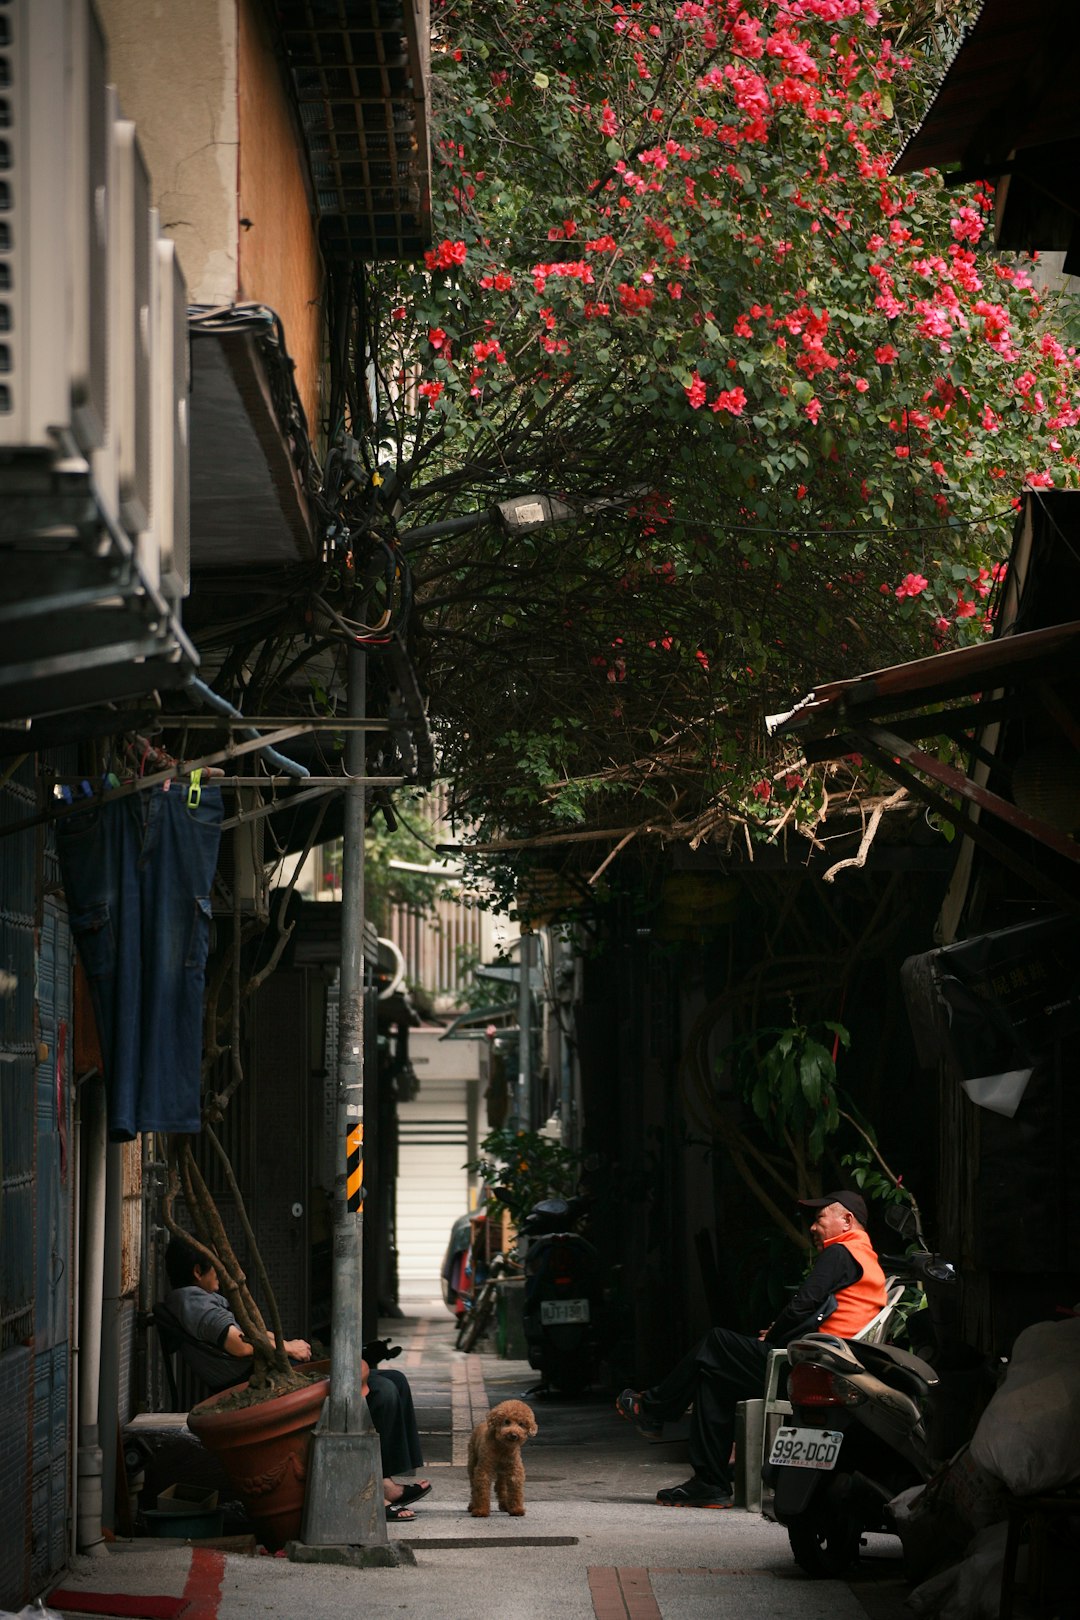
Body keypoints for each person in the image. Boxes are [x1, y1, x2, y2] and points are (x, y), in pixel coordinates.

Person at [616, 1191, 888, 1508]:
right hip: (826, 1365)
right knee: (713, 1375)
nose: (813, 1228)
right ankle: (710, 1484)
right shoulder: (866, 1260)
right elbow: (824, 1314)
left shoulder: (841, 1252)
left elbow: (803, 1305)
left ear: (847, 1220)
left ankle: (653, 1408)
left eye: (819, 1219)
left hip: (805, 1368)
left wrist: (773, 1335)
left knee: (716, 1341)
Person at [163, 1235, 430, 1521]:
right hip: (257, 1386)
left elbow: (246, 1333)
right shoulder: (193, 1302)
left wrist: (285, 1343)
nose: (222, 1268)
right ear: (196, 1271)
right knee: (381, 1391)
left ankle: (385, 1481)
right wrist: (287, 1347)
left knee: (395, 1380)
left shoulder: (196, 1298)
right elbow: (238, 1344)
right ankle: (374, 1492)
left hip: (270, 1374)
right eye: (214, 1262)